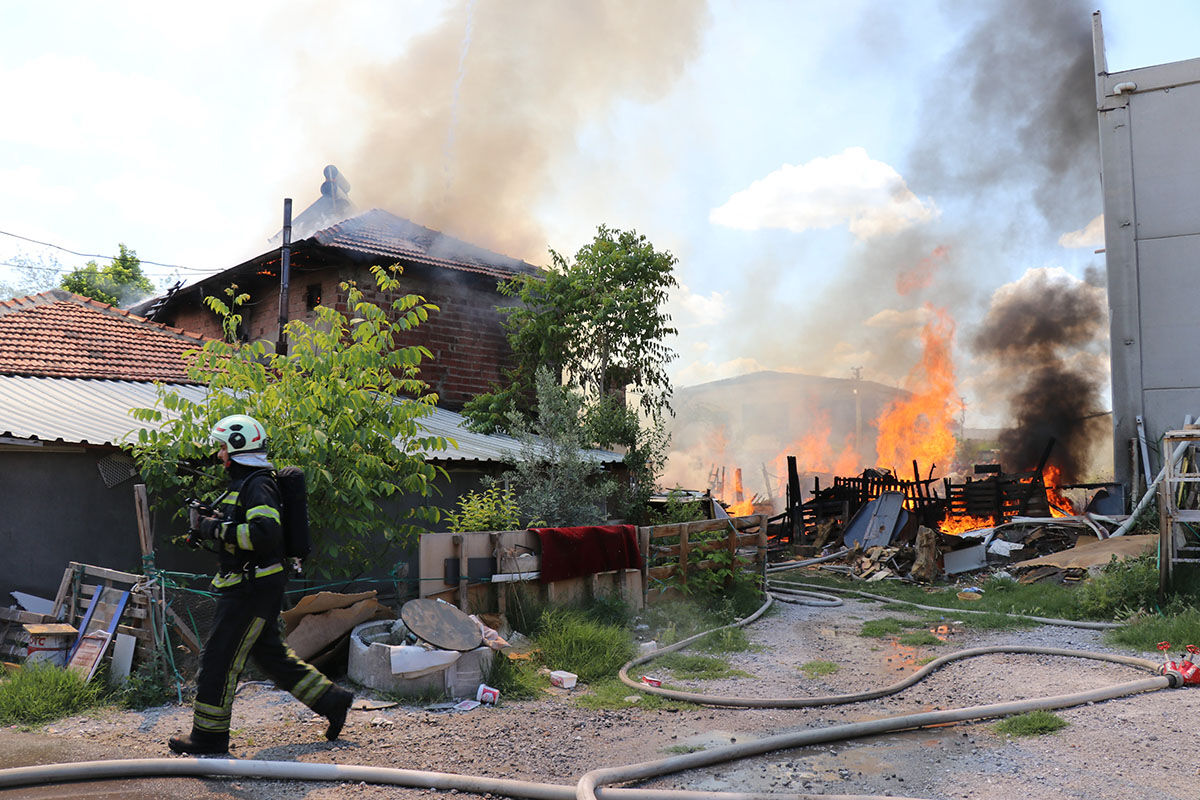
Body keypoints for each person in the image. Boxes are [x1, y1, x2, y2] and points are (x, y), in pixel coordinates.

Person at [168, 413, 353, 756]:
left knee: (219, 659)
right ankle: (332, 700)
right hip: (247, 585)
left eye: (223, 448)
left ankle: (208, 737)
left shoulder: (258, 485)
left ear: (238, 447)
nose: (219, 454)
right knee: (270, 655)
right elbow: (243, 526)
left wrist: (213, 528)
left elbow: (264, 534)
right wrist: (213, 521)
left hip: (250, 590)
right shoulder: (246, 484)